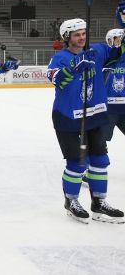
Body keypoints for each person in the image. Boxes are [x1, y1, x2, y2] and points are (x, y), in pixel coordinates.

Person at [47, 17, 124, 223]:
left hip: (94, 115)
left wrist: (120, 39)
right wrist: (75, 66)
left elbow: (117, 52)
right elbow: (55, 78)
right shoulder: (60, 58)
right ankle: (71, 201)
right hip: (68, 118)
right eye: (76, 35)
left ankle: (99, 202)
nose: (82, 38)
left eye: (83, 34)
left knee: (100, 161)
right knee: (78, 163)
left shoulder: (97, 51)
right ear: (66, 38)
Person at [103, 28, 125, 142]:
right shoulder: (105, 57)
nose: (118, 43)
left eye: (120, 40)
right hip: (108, 108)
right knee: (99, 142)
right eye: (116, 40)